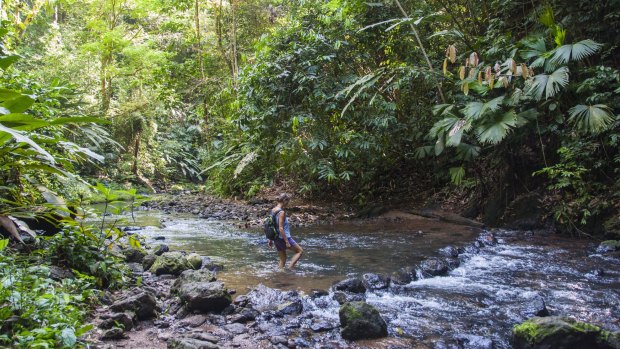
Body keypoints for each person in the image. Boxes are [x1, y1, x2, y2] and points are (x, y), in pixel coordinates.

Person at [268, 193, 303, 269]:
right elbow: (281, 228)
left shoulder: (273, 210)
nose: (288, 204)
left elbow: (271, 225)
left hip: (276, 238)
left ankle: (281, 274)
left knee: (282, 259)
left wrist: (270, 240)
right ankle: (289, 269)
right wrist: (287, 241)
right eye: (288, 202)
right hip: (283, 237)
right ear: (285, 201)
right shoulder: (281, 212)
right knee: (299, 251)